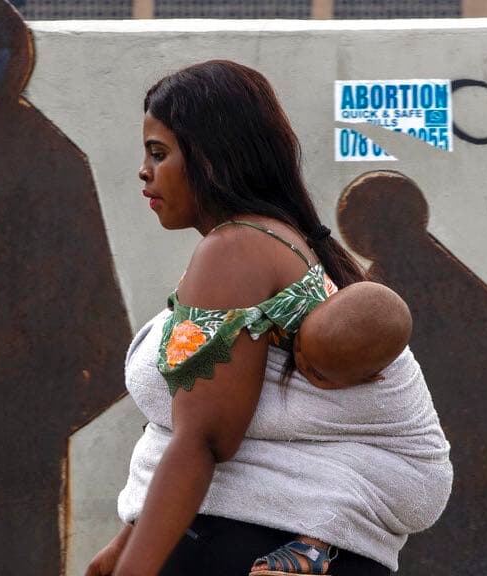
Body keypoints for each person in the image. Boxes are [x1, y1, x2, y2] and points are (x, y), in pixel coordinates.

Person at [85, 60, 451, 576]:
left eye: (159, 153)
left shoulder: (235, 249)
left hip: (248, 545)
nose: (144, 171)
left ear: (211, 159)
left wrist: (133, 569)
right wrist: (124, 545)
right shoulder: (282, 243)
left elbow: (205, 438)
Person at [249, 281, 414, 574]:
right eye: (299, 347)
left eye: (317, 374)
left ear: (369, 379)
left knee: (344, 486)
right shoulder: (303, 307)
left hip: (371, 475)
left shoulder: (374, 397)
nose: (300, 363)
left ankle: (310, 550)